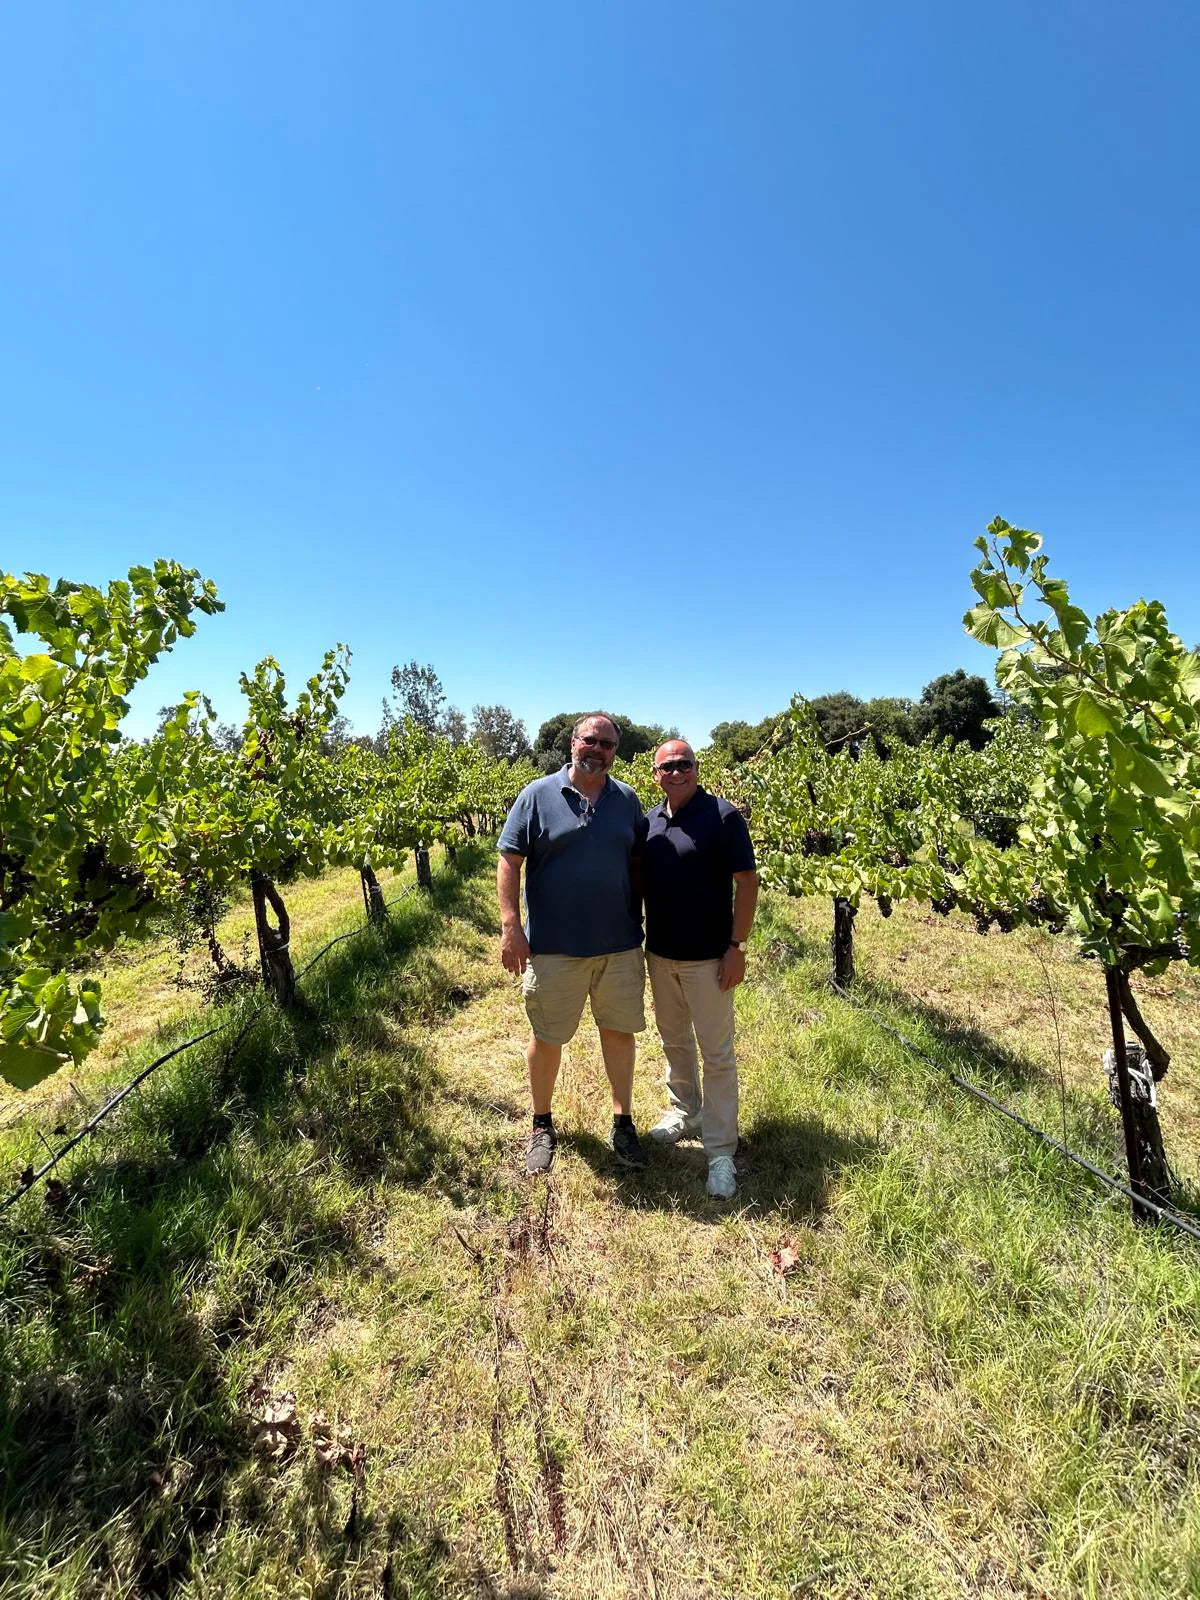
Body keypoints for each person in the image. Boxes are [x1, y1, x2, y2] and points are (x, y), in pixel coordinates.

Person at [497, 713, 649, 1175]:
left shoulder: (627, 800)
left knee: (619, 1034)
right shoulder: (537, 796)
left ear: (615, 752)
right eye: (590, 740)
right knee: (547, 1037)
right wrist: (510, 926)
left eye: (607, 743)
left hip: (619, 946)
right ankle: (542, 1123)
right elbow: (509, 860)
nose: (597, 749)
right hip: (555, 948)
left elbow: (640, 864)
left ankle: (623, 1123)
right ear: (572, 742)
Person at [642, 739, 758, 1198]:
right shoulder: (649, 821)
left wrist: (737, 946)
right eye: (667, 766)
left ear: (696, 768)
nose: (676, 772)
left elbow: (747, 882)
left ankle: (721, 1151)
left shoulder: (723, 816)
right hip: (660, 954)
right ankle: (685, 1111)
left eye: (684, 764)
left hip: (710, 957)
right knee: (673, 1040)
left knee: (717, 1053)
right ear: (656, 775)